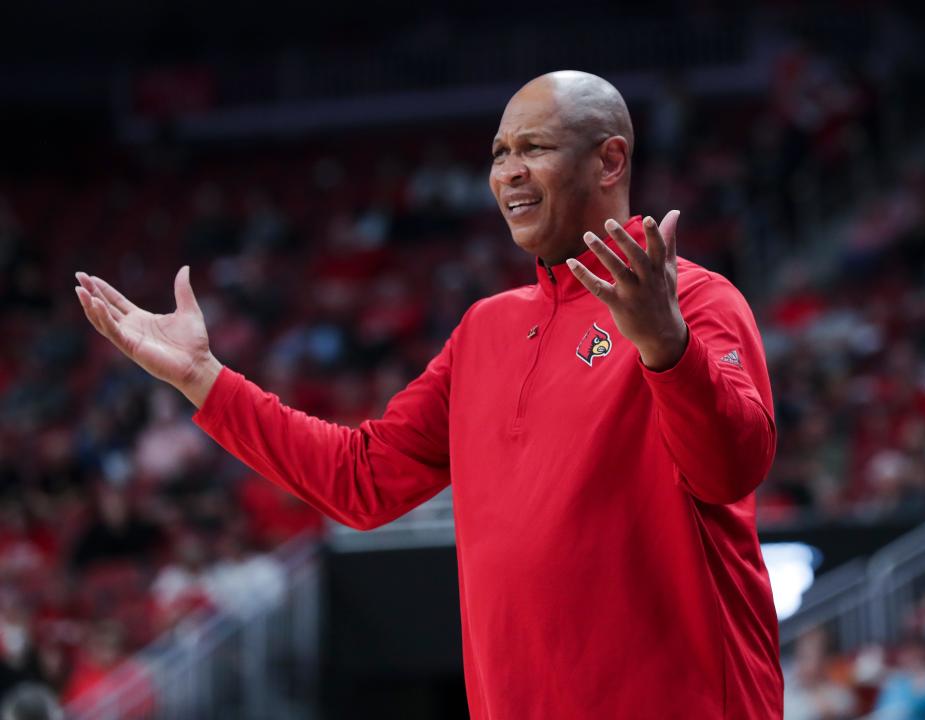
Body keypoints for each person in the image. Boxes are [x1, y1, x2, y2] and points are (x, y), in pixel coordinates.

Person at [74, 70, 783, 719]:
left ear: (609, 161)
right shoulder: (485, 330)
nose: (507, 172)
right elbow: (360, 482)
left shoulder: (693, 300)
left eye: (532, 147)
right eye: (498, 153)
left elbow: (731, 470)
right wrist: (202, 378)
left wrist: (666, 347)